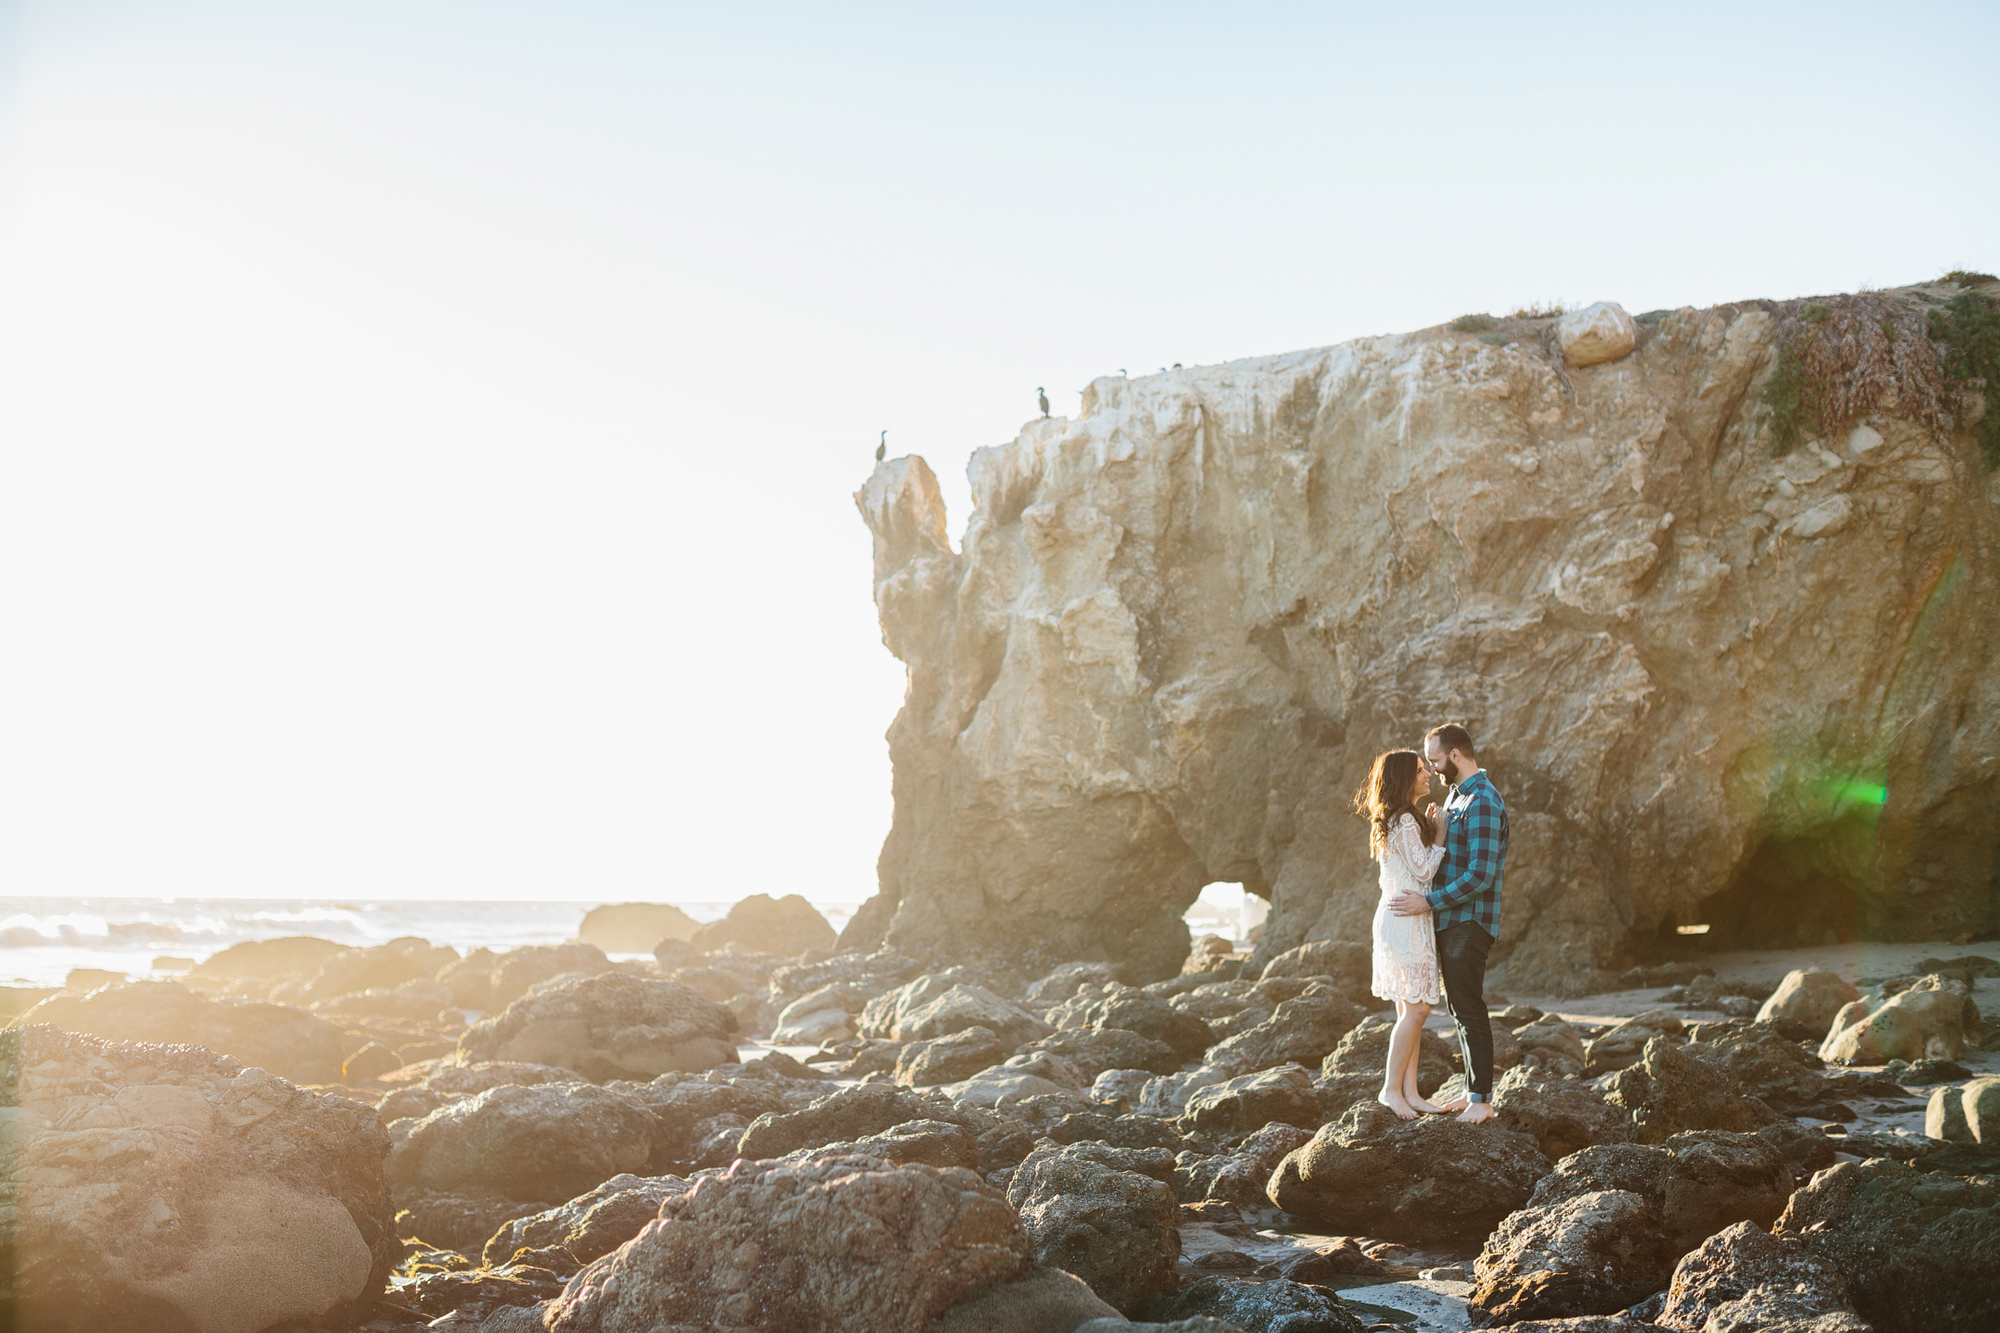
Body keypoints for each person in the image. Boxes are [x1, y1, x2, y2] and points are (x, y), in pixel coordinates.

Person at [1392, 723, 1508, 1123]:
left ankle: (1481, 1100)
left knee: (1469, 1006)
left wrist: (1427, 901)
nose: (1433, 768)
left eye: (1436, 760)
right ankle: (1472, 1091)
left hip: (1470, 921)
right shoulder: (1458, 799)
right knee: (1460, 1007)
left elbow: (1481, 876)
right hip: (1450, 920)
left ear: (1456, 755)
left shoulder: (1484, 802)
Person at [1353, 749, 1450, 1119]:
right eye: (1422, 771)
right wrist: (1439, 834)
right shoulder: (1404, 822)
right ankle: (1391, 1090)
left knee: (1411, 1010)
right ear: (1405, 777)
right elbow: (1425, 873)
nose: (1428, 775)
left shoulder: (1397, 819)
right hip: (1404, 919)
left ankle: (1411, 1092)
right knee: (1418, 1009)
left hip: (1403, 917)